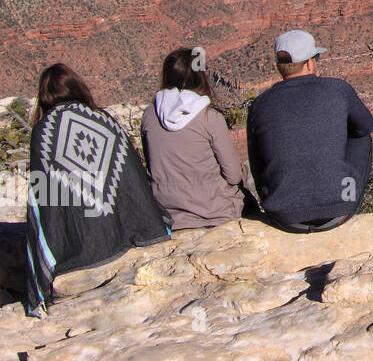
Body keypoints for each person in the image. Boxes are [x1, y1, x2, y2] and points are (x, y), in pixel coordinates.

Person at [24, 64, 171, 317]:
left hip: (74, 249)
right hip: (124, 237)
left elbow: (43, 199)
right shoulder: (103, 119)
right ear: (76, 87)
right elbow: (132, 178)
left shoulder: (43, 132)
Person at [245, 30, 373, 232]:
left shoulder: (260, 104)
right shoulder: (338, 88)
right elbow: (366, 126)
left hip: (284, 218)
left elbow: (256, 164)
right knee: (361, 136)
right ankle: (344, 195)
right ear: (310, 63)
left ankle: (282, 200)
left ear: (278, 67)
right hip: (338, 213)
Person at [140, 48, 245, 230]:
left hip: (168, 216)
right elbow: (233, 176)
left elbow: (151, 166)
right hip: (214, 213)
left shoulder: (149, 115)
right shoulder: (209, 117)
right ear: (200, 76)